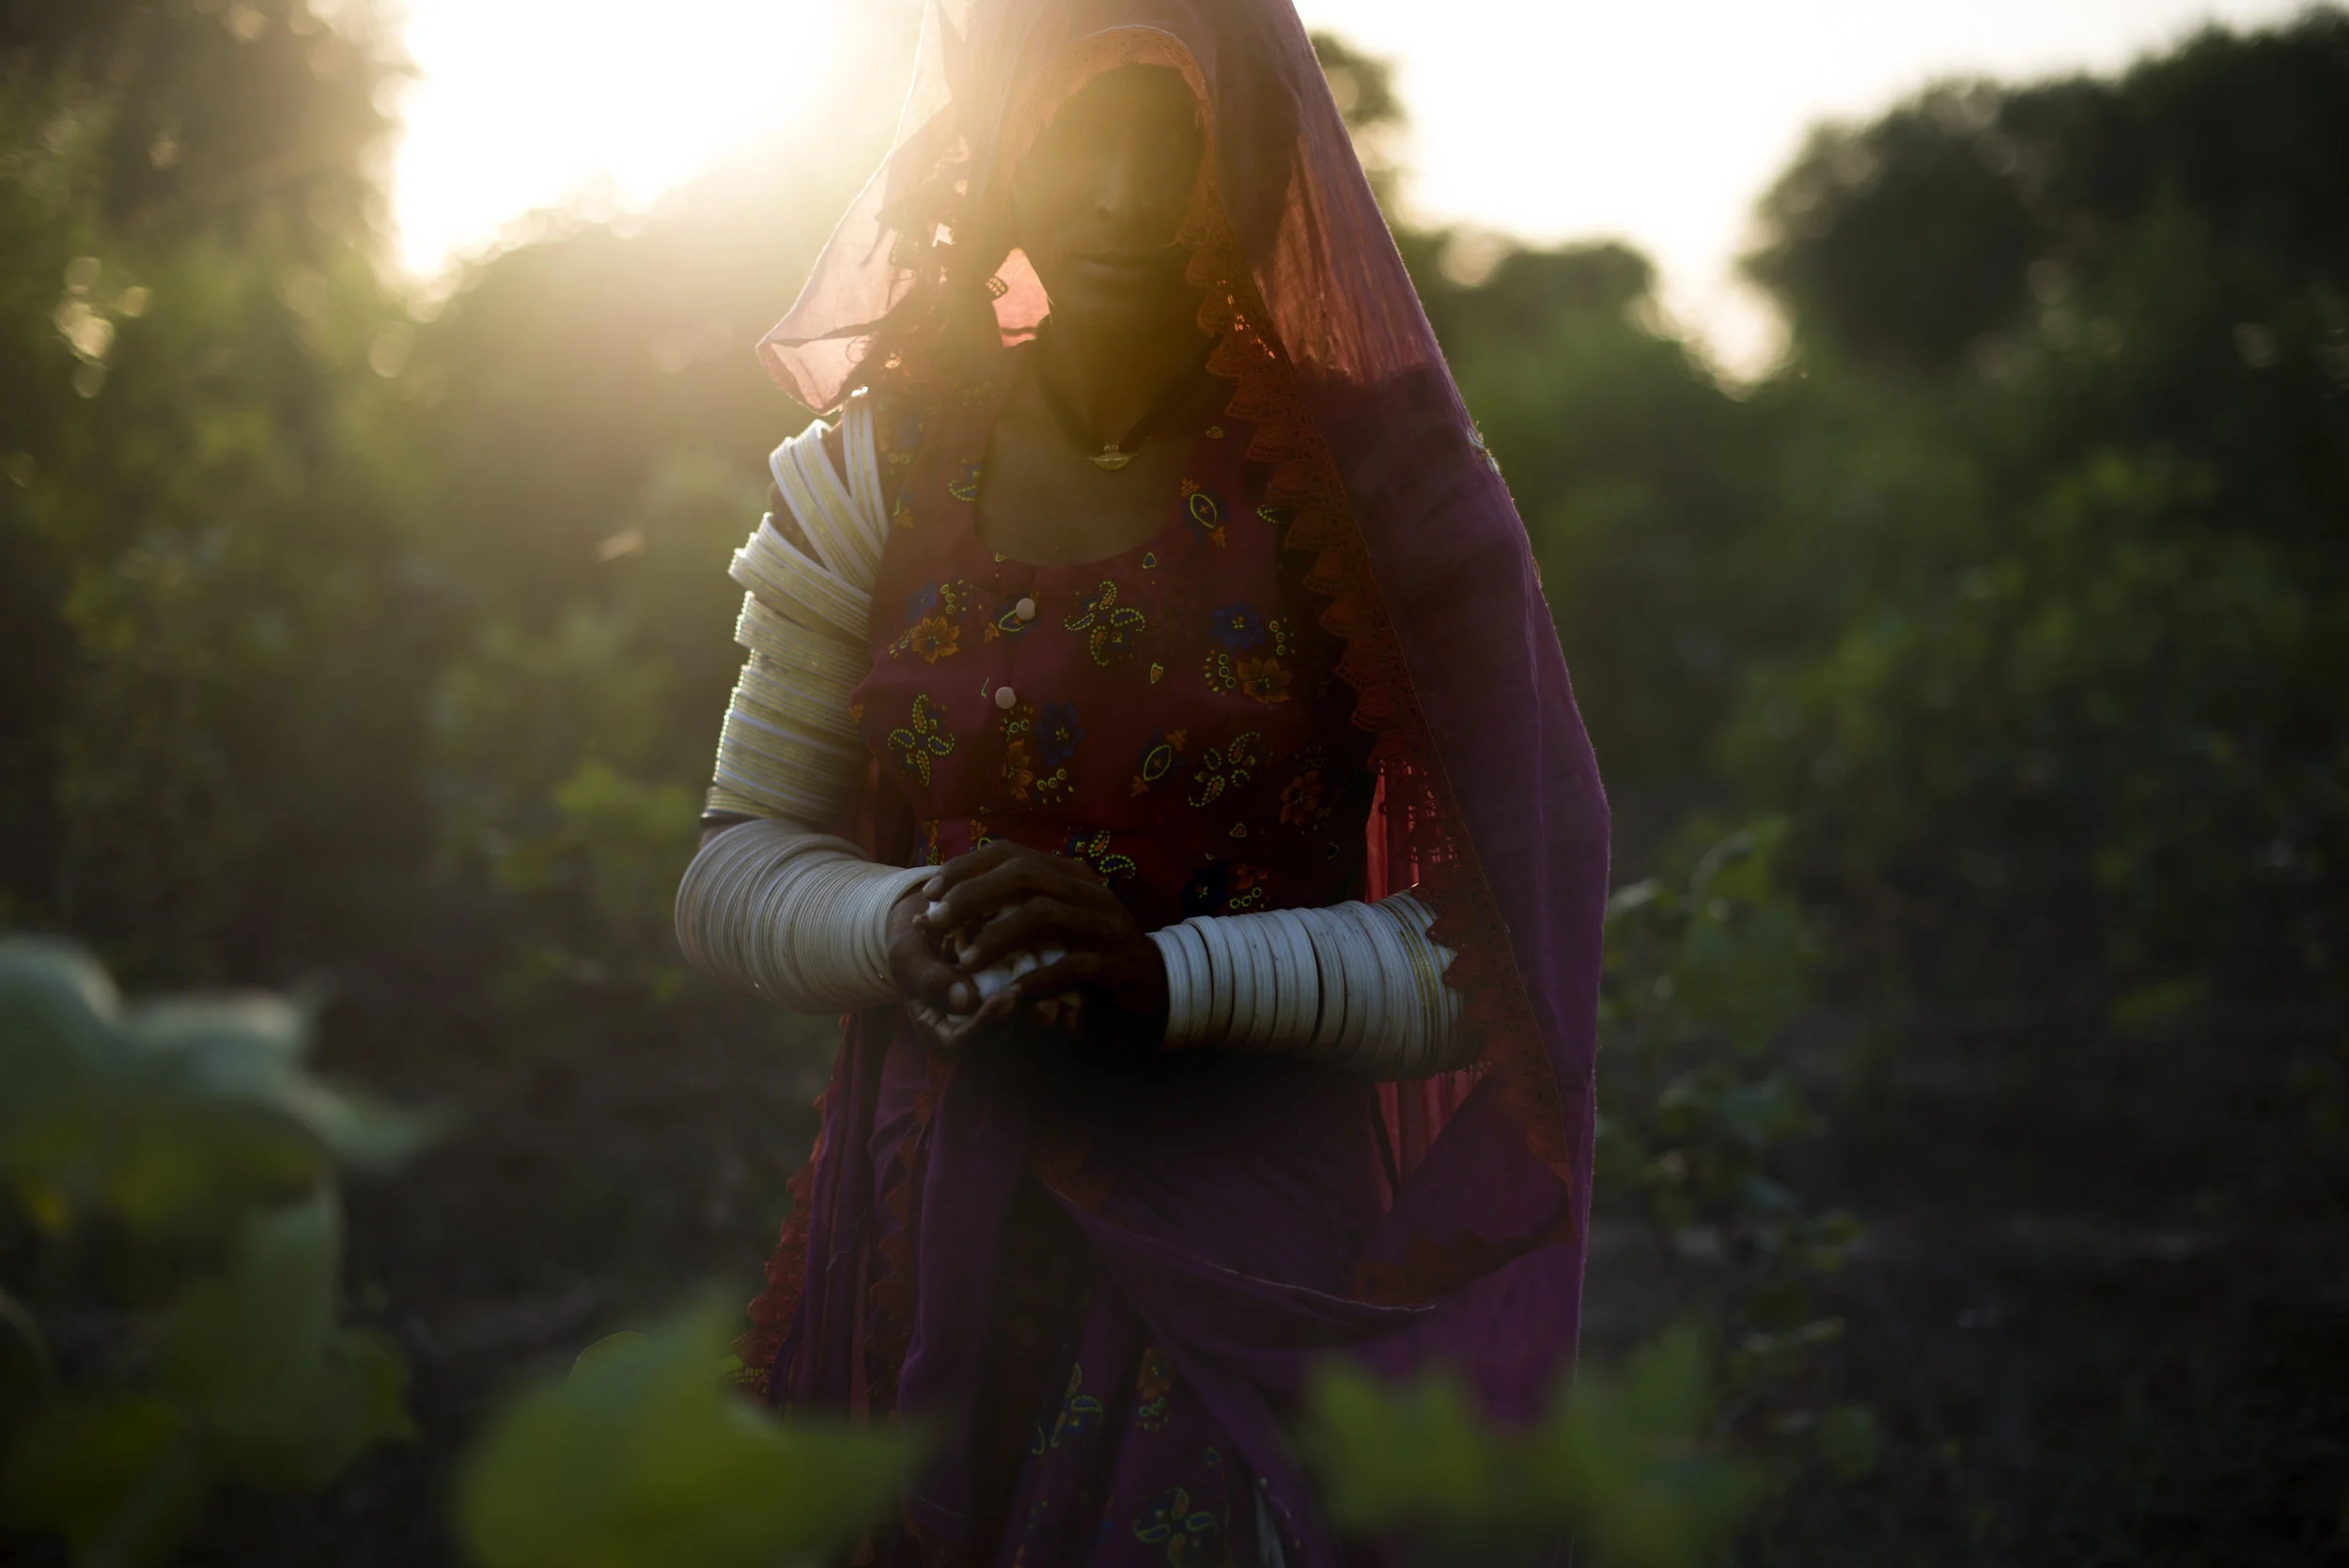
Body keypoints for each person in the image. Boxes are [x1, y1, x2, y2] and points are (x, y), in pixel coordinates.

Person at [674, 2, 1609, 1561]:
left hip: (1246, 1263)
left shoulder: (1384, 497)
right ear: (996, 151)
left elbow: (1501, 967)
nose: (1122, 200)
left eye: (1172, 143)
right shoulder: (872, 476)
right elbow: (730, 871)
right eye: (1079, 136)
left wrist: (1166, 979)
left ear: (1252, 169)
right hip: (923, 1226)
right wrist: (918, 926)